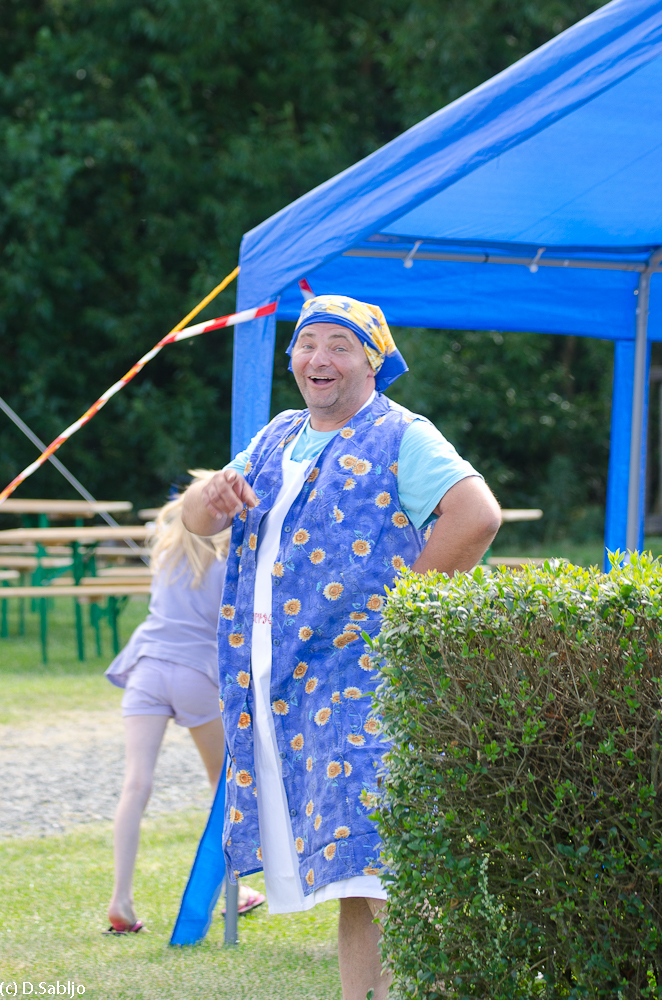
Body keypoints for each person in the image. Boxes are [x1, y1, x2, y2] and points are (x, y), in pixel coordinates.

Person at [182, 296, 501, 998]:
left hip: (364, 690)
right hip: (284, 690)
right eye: (307, 344)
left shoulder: (402, 434)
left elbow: (477, 515)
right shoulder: (277, 436)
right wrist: (212, 495)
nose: (318, 359)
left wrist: (406, 613)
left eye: (339, 345)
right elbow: (196, 519)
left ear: (372, 361)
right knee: (354, 874)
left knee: (381, 865)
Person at [104, 471, 264, 934]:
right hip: (196, 673)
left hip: (148, 666)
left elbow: (177, 517)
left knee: (135, 785)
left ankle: (120, 900)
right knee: (222, 788)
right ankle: (234, 890)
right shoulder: (229, 560)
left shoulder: (165, 550)